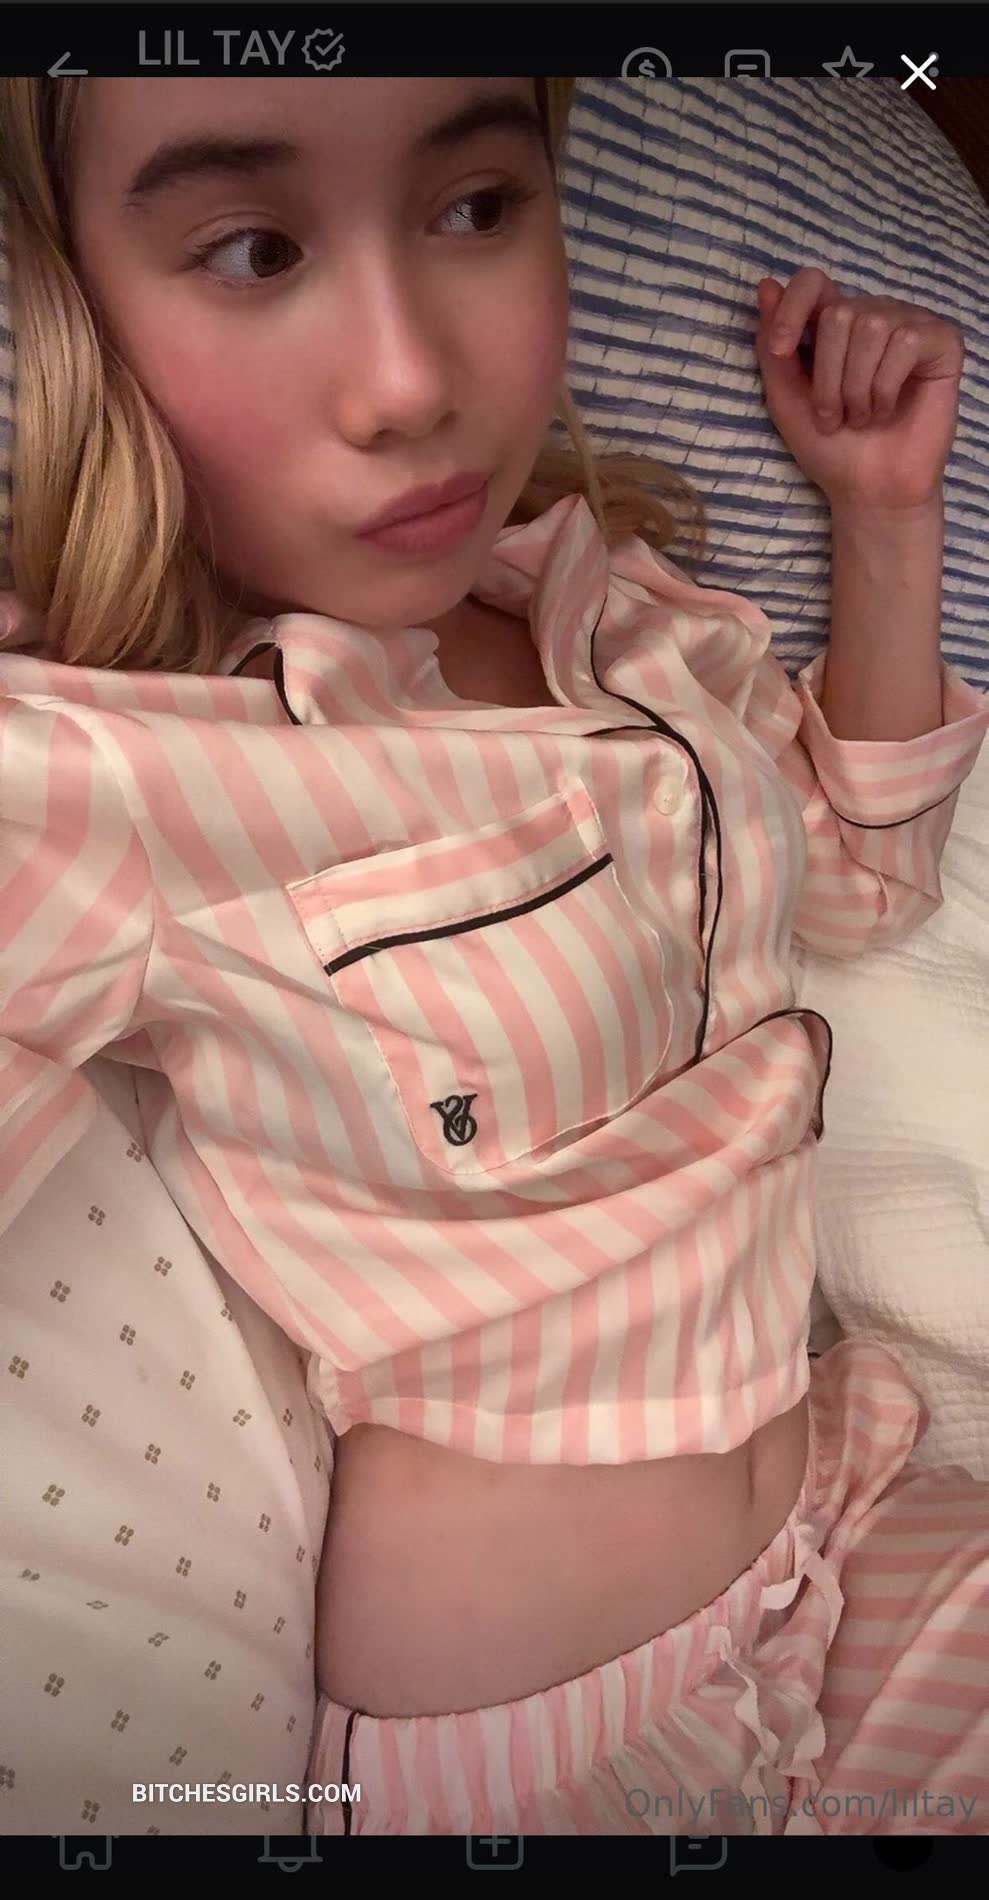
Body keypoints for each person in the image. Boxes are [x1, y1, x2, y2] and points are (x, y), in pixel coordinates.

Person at [1, 73, 987, 1838]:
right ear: (83, 310)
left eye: (473, 207)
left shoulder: (638, 622)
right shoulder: (119, 767)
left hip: (843, 1512)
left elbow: (860, 890)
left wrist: (885, 515)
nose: (410, 380)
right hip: (551, 1743)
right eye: (252, 249)